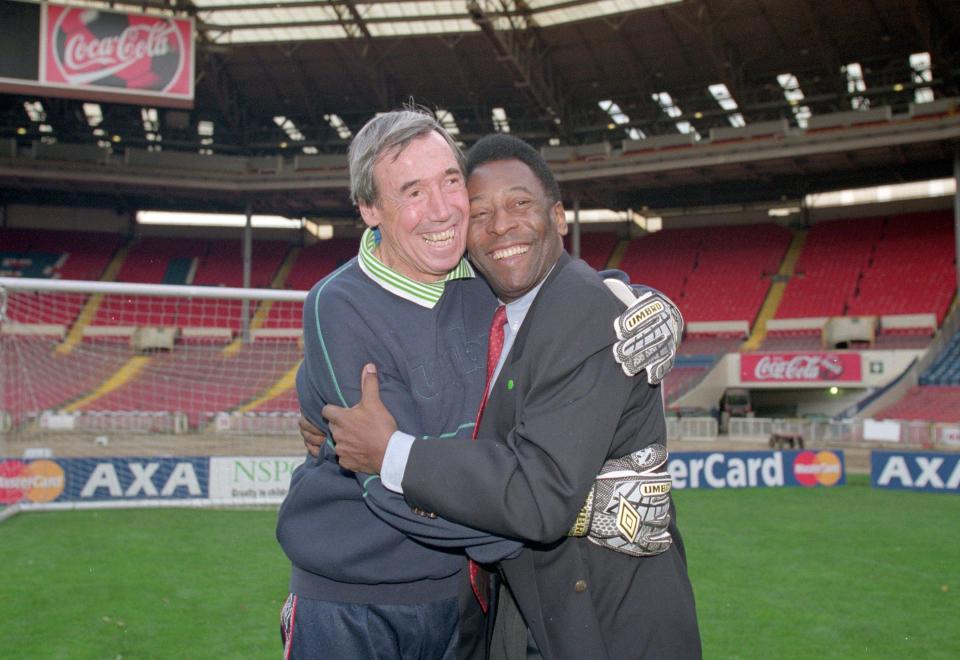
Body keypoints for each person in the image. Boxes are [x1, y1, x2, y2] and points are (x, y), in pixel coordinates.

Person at [280, 109, 681, 659]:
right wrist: (572, 516)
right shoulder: (338, 303)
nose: (443, 209)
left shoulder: (479, 279)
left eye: (450, 181)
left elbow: (550, 276)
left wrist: (625, 296)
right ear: (370, 209)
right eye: (412, 191)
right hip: (354, 604)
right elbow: (388, 486)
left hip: (468, 601)